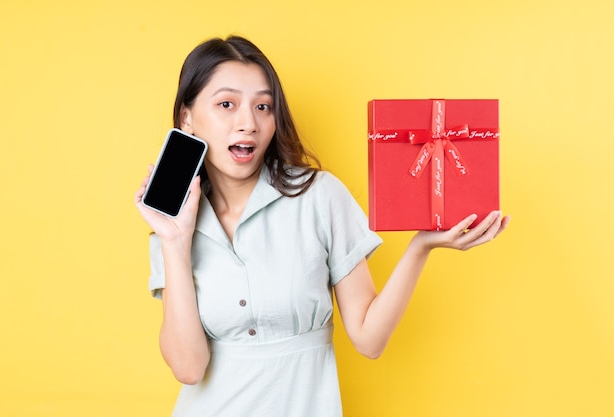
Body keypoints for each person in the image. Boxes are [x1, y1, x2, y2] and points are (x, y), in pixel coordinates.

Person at [134, 35, 510, 417]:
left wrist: (420, 247)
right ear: (187, 118)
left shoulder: (320, 197)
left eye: (263, 106)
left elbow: (369, 339)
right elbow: (188, 368)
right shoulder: (173, 221)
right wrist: (174, 243)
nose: (248, 123)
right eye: (226, 104)